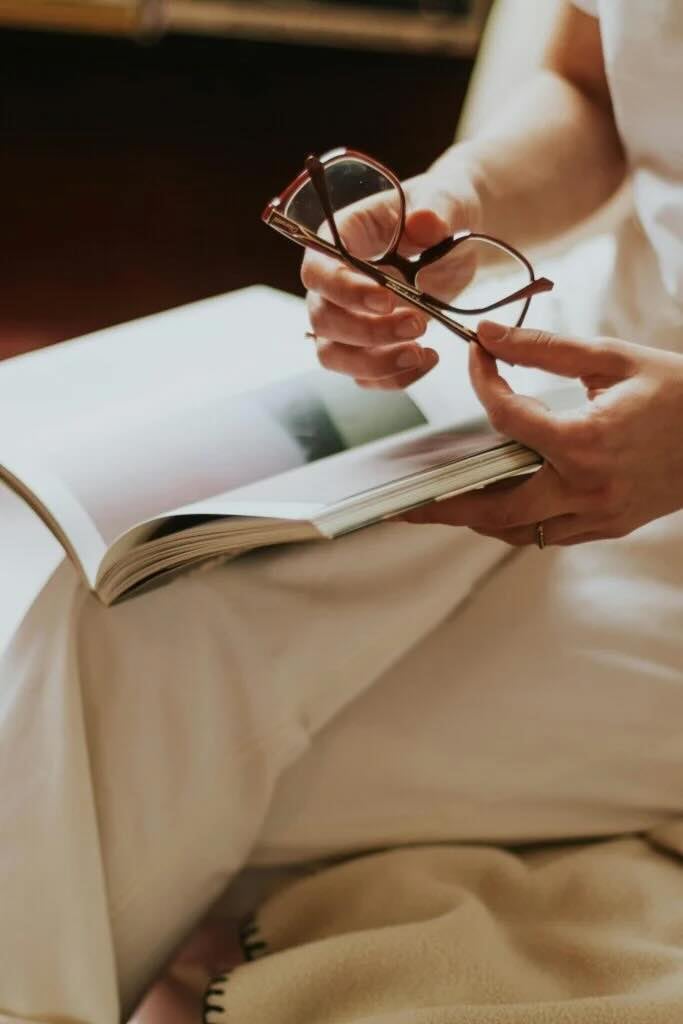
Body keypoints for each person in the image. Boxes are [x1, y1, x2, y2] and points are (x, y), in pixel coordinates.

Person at [1, 3, 681, 1024]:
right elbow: (591, 87)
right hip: (578, 353)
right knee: (88, 592)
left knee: (94, 778)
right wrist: (452, 204)